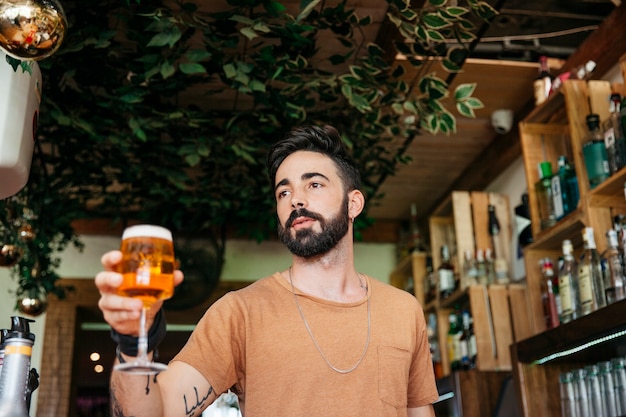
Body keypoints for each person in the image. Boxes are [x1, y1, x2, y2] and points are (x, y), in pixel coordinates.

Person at [95, 124, 438, 417]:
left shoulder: (404, 310)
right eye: (283, 191)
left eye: (314, 184)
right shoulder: (240, 312)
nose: (295, 200)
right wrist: (133, 340)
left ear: (354, 203)